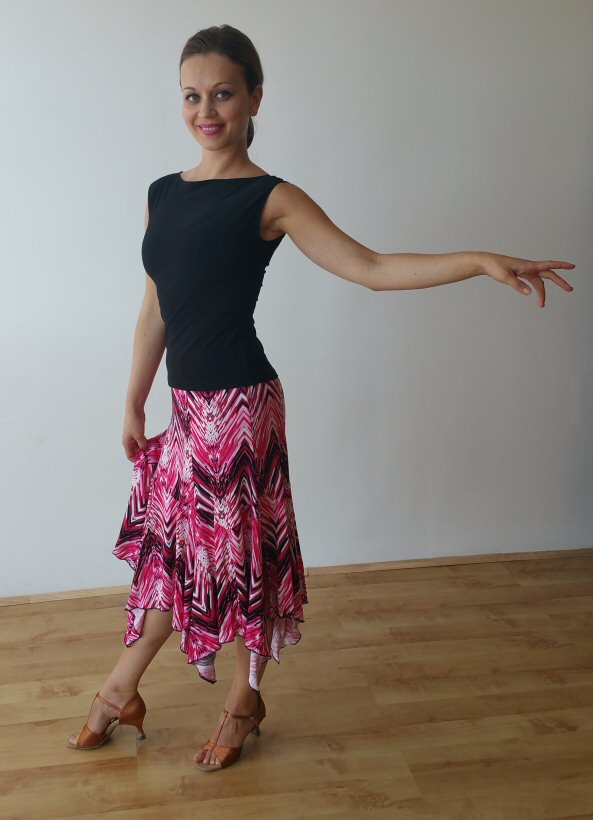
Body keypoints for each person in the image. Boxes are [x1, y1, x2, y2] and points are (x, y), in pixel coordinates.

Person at [66, 24, 575, 771]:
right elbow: (155, 309)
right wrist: (134, 401)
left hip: (241, 409)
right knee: (174, 554)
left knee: (241, 563)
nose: (205, 110)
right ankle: (122, 690)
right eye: (191, 96)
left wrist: (477, 261)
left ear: (254, 97)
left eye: (222, 94)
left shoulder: (271, 197)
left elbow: (370, 267)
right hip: (186, 412)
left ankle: (240, 698)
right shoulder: (162, 195)